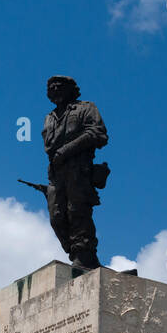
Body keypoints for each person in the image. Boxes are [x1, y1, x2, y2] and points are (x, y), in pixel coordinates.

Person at [41, 75, 109, 271]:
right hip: (56, 173)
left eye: (59, 85)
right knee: (56, 216)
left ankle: (84, 255)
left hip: (79, 169)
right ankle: (75, 252)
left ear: (72, 89)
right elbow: (49, 147)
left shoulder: (86, 108)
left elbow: (98, 133)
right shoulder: (49, 117)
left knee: (77, 211)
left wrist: (67, 150)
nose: (54, 88)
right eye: (50, 87)